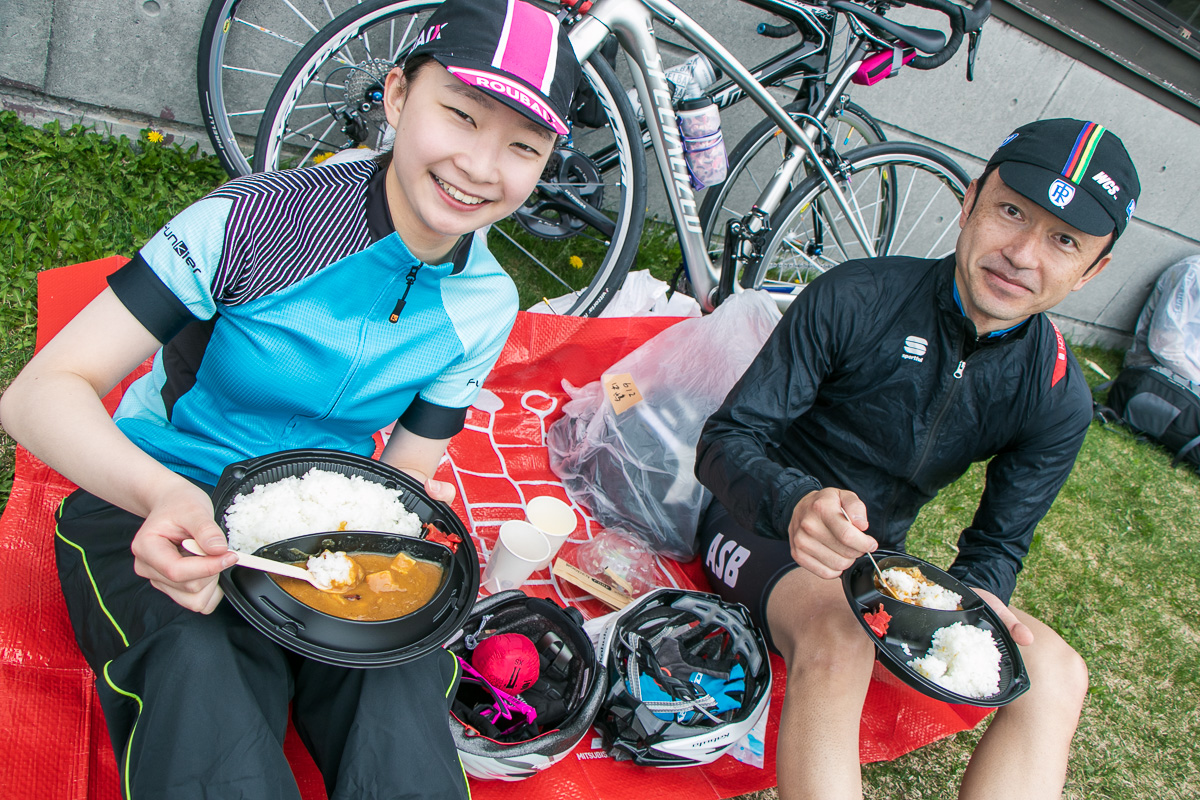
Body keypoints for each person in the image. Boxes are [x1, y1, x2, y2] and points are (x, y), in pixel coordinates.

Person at [0, 0, 579, 796]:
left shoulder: (487, 301)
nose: (482, 167)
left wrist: (406, 539)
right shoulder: (254, 222)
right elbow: (37, 397)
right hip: (158, 495)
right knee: (199, 668)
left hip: (323, 523)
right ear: (399, 95)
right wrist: (162, 494)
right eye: (460, 114)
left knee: (397, 682)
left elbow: (404, 472)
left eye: (523, 146)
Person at [695, 118, 1140, 799]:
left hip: (877, 563)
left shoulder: (1056, 393)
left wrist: (983, 597)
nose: (1022, 253)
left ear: (1092, 271)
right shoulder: (859, 294)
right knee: (844, 635)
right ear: (969, 203)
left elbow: (998, 545)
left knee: (1058, 672)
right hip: (755, 524)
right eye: (1012, 211)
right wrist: (793, 503)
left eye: (1064, 241)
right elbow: (725, 441)